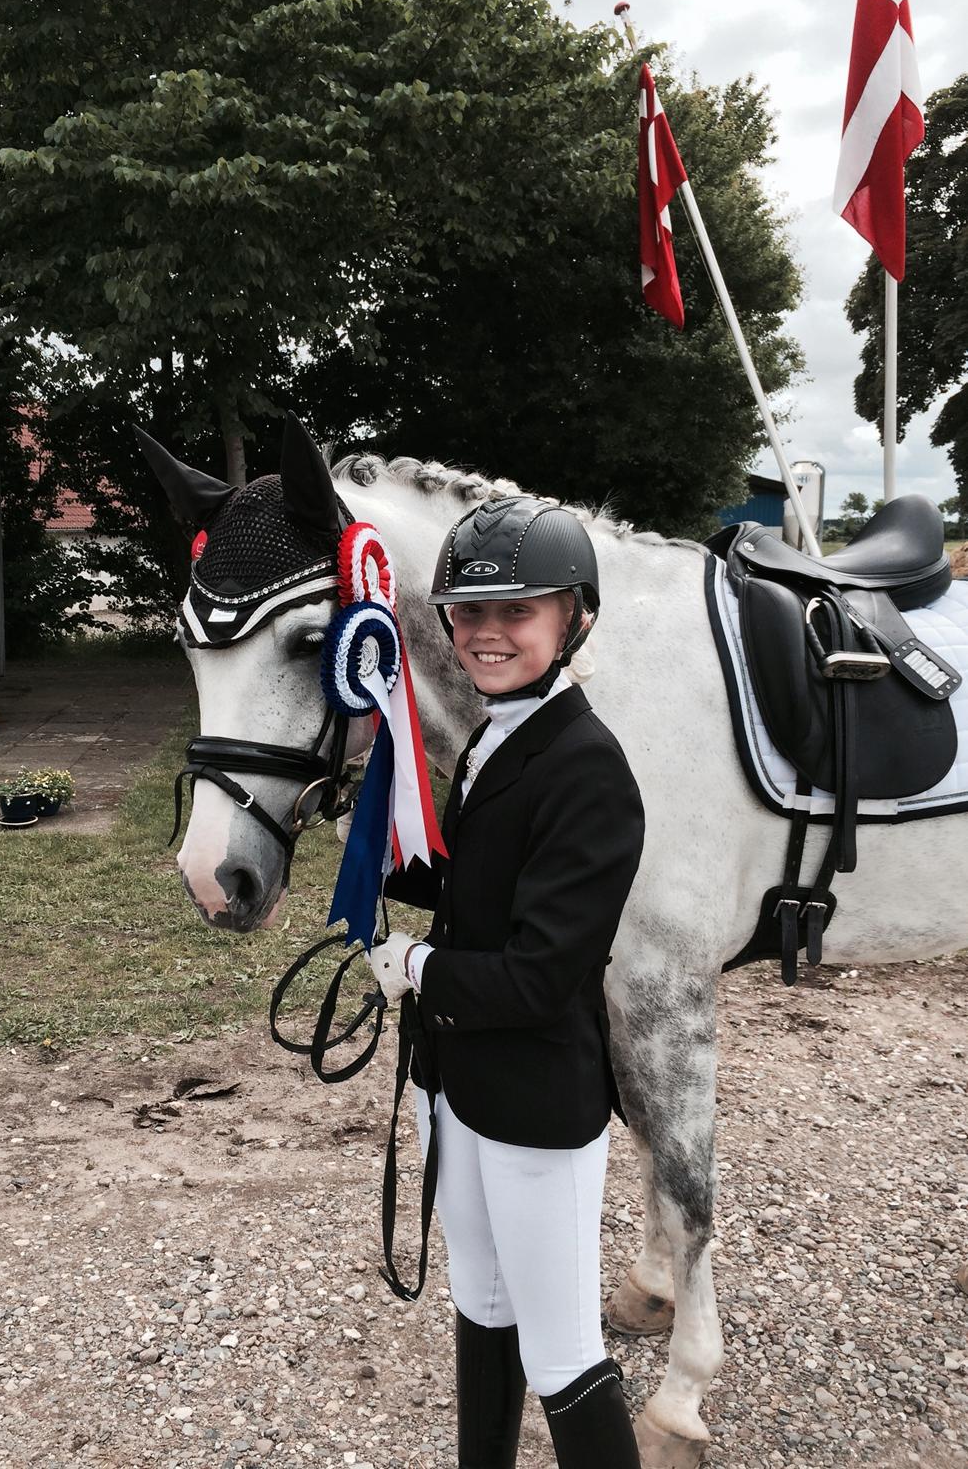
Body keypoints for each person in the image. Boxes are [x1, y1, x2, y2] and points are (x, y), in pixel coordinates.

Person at [367, 495, 646, 1469]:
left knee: (563, 1349)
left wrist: (417, 966)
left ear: (574, 618)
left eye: (517, 611)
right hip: (460, 1085)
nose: (487, 634)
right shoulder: (493, 737)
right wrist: (383, 860)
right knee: (480, 1303)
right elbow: (482, 880)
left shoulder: (590, 769)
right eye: (470, 613)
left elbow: (537, 975)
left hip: (534, 1098)